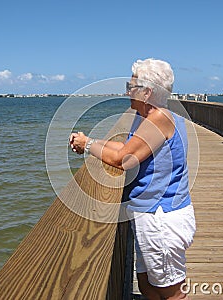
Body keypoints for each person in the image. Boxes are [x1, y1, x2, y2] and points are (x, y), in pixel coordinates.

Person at [69, 58, 196, 300]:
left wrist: (87, 145)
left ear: (147, 92)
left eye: (132, 86)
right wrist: (91, 142)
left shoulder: (160, 118)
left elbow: (123, 159)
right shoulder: (146, 116)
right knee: (147, 283)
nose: (127, 91)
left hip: (162, 218)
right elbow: (127, 147)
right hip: (151, 214)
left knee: (172, 292)